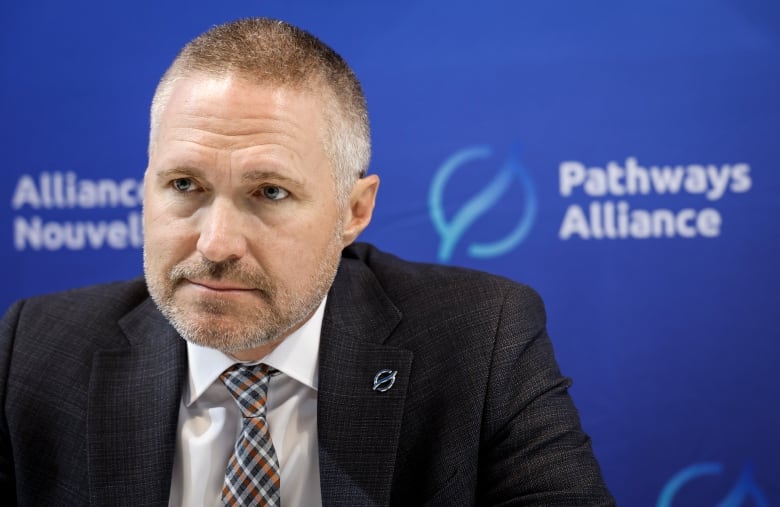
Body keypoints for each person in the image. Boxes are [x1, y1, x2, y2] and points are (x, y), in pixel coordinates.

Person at [0, 18, 614, 506]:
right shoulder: (32, 354)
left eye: (270, 193)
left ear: (353, 210)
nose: (215, 245)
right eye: (184, 185)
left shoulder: (479, 341)